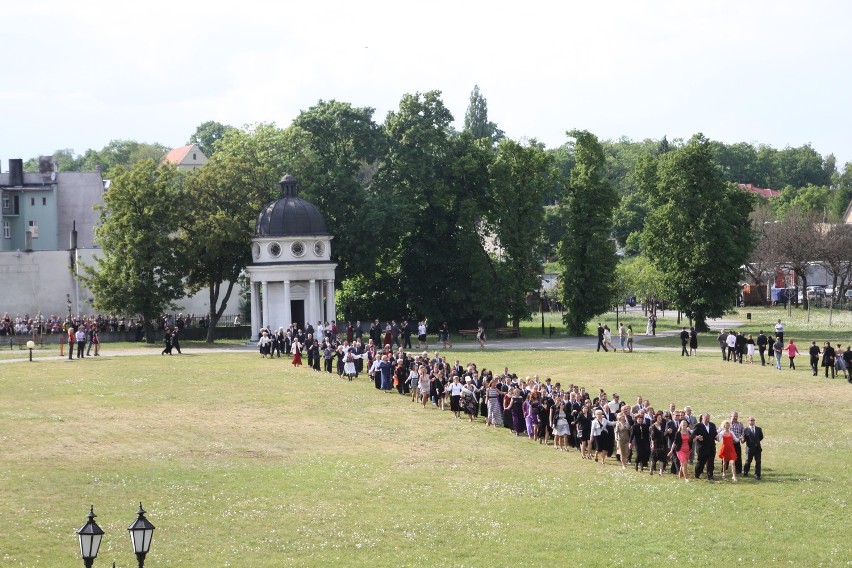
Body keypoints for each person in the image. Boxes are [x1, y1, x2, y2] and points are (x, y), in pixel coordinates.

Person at [693, 413, 718, 481]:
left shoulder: (712, 425)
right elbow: (693, 435)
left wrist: (716, 437)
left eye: (708, 419)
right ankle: (697, 474)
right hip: (702, 448)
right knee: (701, 463)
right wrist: (697, 437)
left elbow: (715, 434)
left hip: (711, 448)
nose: (707, 420)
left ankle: (710, 476)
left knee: (710, 463)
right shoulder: (698, 426)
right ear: (702, 418)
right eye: (706, 419)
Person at [742, 416, 764, 480]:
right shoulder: (745, 430)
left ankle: (757, 474)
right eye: (750, 420)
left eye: (753, 420)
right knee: (748, 461)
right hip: (749, 448)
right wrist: (742, 440)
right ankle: (746, 472)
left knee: (758, 461)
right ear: (748, 421)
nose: (751, 421)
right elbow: (744, 438)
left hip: (757, 448)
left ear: (754, 421)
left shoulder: (758, 429)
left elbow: (761, 437)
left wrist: (756, 442)